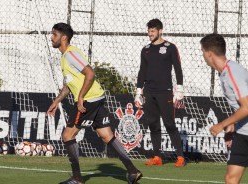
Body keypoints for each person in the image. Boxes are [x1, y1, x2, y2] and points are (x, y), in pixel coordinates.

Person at [47, 22, 142, 184]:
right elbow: (68, 85)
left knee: (67, 135)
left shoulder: (70, 54)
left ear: (64, 38)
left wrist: (82, 97)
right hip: (96, 98)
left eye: (54, 35)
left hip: (89, 100)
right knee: (106, 136)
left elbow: (90, 73)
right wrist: (56, 101)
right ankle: (132, 171)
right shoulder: (65, 57)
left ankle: (77, 178)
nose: (51, 38)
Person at [134, 18, 185, 167]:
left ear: (160, 31)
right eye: (148, 31)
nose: (149, 34)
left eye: (152, 31)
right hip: (149, 92)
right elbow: (142, 71)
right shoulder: (145, 49)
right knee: (153, 124)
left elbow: (177, 68)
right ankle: (157, 156)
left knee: (169, 124)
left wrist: (179, 88)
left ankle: (180, 156)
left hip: (165, 91)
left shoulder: (170, 47)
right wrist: (139, 91)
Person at [201, 33, 248, 184]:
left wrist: (221, 125)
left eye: (202, 52)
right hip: (243, 132)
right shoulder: (224, 73)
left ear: (209, 54)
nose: (202, 56)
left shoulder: (232, 72)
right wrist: (233, 124)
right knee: (230, 179)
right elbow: (240, 105)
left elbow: (247, 107)